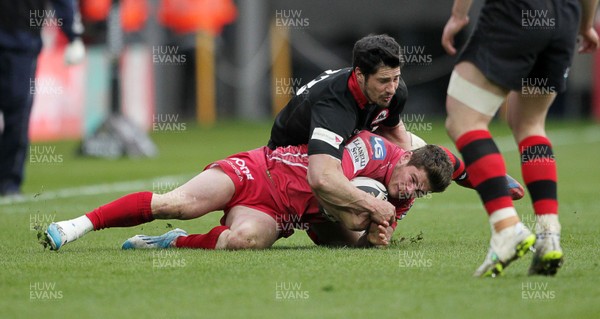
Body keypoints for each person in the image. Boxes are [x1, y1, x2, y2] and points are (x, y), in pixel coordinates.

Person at [268, 33, 524, 235]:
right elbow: (321, 176)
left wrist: (413, 172)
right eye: (383, 81)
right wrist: (374, 205)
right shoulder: (334, 106)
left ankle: (479, 176)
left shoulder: (393, 92)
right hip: (289, 161)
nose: (392, 88)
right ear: (359, 76)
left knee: (417, 154)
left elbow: (402, 141)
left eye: (396, 78)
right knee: (354, 221)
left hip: (342, 148)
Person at [43, 130, 453, 251]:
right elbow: (329, 185)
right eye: (413, 181)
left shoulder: (403, 197)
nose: (411, 192)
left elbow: (365, 234)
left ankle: (172, 244)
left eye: (421, 193)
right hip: (260, 171)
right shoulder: (376, 148)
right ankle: (77, 225)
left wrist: (375, 239)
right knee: (179, 203)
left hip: (281, 214)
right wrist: (366, 212)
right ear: (405, 160)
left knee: (244, 242)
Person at [441, 0, 599, 276]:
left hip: (515, 12)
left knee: (465, 120)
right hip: (564, 17)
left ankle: (506, 228)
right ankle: (549, 234)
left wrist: (458, 16)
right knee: (530, 124)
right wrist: (585, 25)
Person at [0, 0, 85, 196]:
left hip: (21, 41)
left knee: (18, 112)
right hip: (20, 39)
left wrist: (74, 35)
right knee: (18, 112)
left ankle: (8, 182)